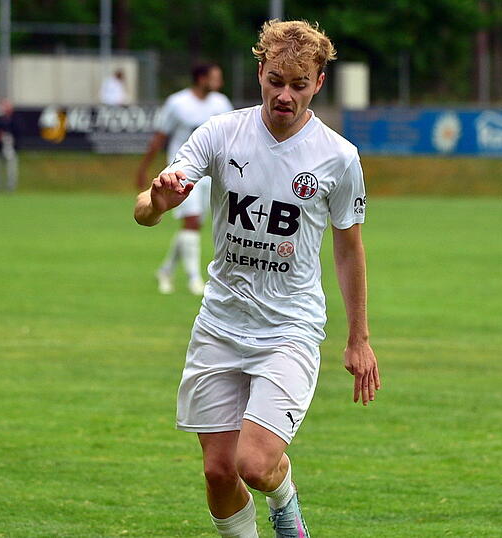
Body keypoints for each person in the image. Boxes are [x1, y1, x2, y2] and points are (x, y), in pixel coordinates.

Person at [134, 20, 380, 537]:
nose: (283, 95)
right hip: (221, 323)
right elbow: (146, 208)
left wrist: (359, 338)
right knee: (218, 471)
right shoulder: (223, 133)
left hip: (290, 328)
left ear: (317, 83)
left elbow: (349, 247)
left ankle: (283, 498)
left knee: (255, 463)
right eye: (275, 80)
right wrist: (156, 203)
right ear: (260, 73)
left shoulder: (338, 157)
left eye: (297, 84)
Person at [136, 63, 233, 295]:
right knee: (191, 221)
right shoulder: (177, 103)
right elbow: (160, 137)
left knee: (194, 224)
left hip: (213, 174)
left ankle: (166, 270)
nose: (219, 83)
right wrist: (143, 169)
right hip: (182, 173)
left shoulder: (221, 103)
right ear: (201, 79)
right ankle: (194, 279)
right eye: (214, 77)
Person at [0, 99, 21, 193]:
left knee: (12, 171)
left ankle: (10, 189)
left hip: (11, 150)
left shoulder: (15, 120)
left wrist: (11, 139)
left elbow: (19, 134)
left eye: (6, 107)